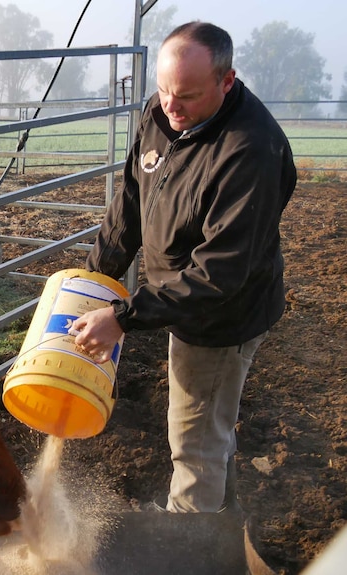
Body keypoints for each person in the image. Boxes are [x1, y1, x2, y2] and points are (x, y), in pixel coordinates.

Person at [70, 21, 296, 513]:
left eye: (188, 96)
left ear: (227, 81)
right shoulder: (162, 113)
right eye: (164, 90)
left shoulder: (250, 151)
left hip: (221, 317)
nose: (171, 107)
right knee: (209, 425)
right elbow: (130, 203)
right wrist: (91, 285)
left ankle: (185, 551)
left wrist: (125, 316)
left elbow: (220, 274)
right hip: (182, 296)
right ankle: (219, 527)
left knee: (195, 443)